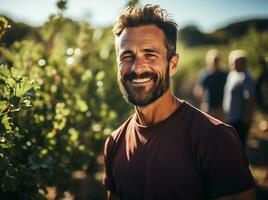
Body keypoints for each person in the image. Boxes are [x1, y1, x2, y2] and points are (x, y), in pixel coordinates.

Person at [103, 4, 256, 200]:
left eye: (150, 54)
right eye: (127, 56)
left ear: (173, 64)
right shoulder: (114, 143)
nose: (137, 68)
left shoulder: (214, 139)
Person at [223, 49, 255, 148]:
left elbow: (249, 98)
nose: (233, 65)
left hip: (240, 119)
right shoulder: (232, 75)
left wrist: (246, 116)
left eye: (236, 62)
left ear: (243, 63)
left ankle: (241, 164)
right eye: (232, 62)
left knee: (239, 145)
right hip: (231, 117)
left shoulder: (246, 77)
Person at [193, 49, 227, 121]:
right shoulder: (204, 74)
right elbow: (198, 90)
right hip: (209, 108)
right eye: (214, 60)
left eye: (217, 60)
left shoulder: (224, 74)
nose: (215, 62)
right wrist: (203, 103)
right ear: (208, 61)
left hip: (221, 108)